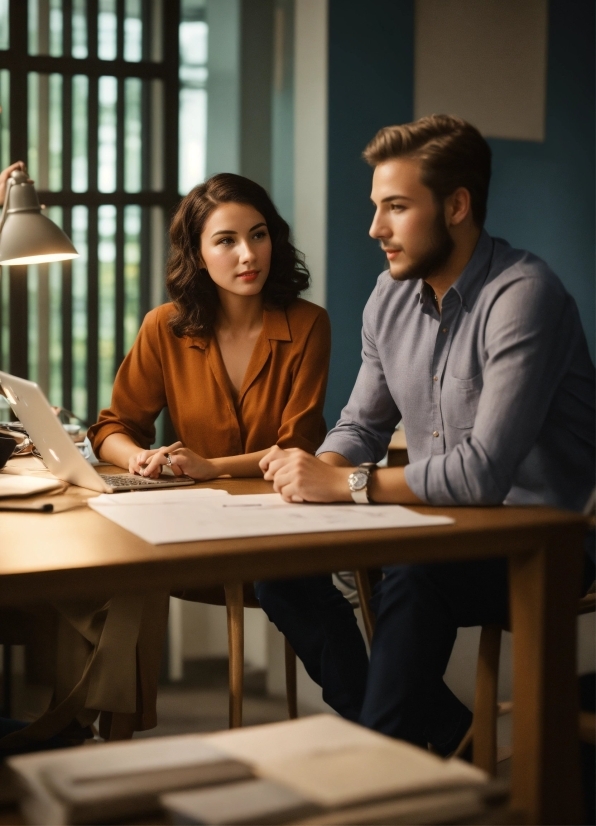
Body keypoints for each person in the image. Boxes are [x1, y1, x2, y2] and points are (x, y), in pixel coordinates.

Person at [255, 115, 596, 754]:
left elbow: (482, 474)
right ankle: (425, 738)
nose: (375, 229)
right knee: (281, 572)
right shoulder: (389, 297)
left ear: (457, 205)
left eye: (397, 207)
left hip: (544, 540)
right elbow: (361, 424)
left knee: (416, 578)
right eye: (376, 206)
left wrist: (346, 484)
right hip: (434, 524)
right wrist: (313, 475)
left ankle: (377, 776)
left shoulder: (524, 297)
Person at [80, 172, 330, 739]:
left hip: (276, 528)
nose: (248, 254)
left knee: (288, 584)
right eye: (226, 241)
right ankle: (108, 735)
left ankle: (393, 724)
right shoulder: (163, 328)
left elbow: (296, 446)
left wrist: (213, 467)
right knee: (111, 564)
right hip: (185, 534)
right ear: (197, 252)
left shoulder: (308, 324)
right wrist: (140, 456)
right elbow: (113, 426)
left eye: (259, 235)